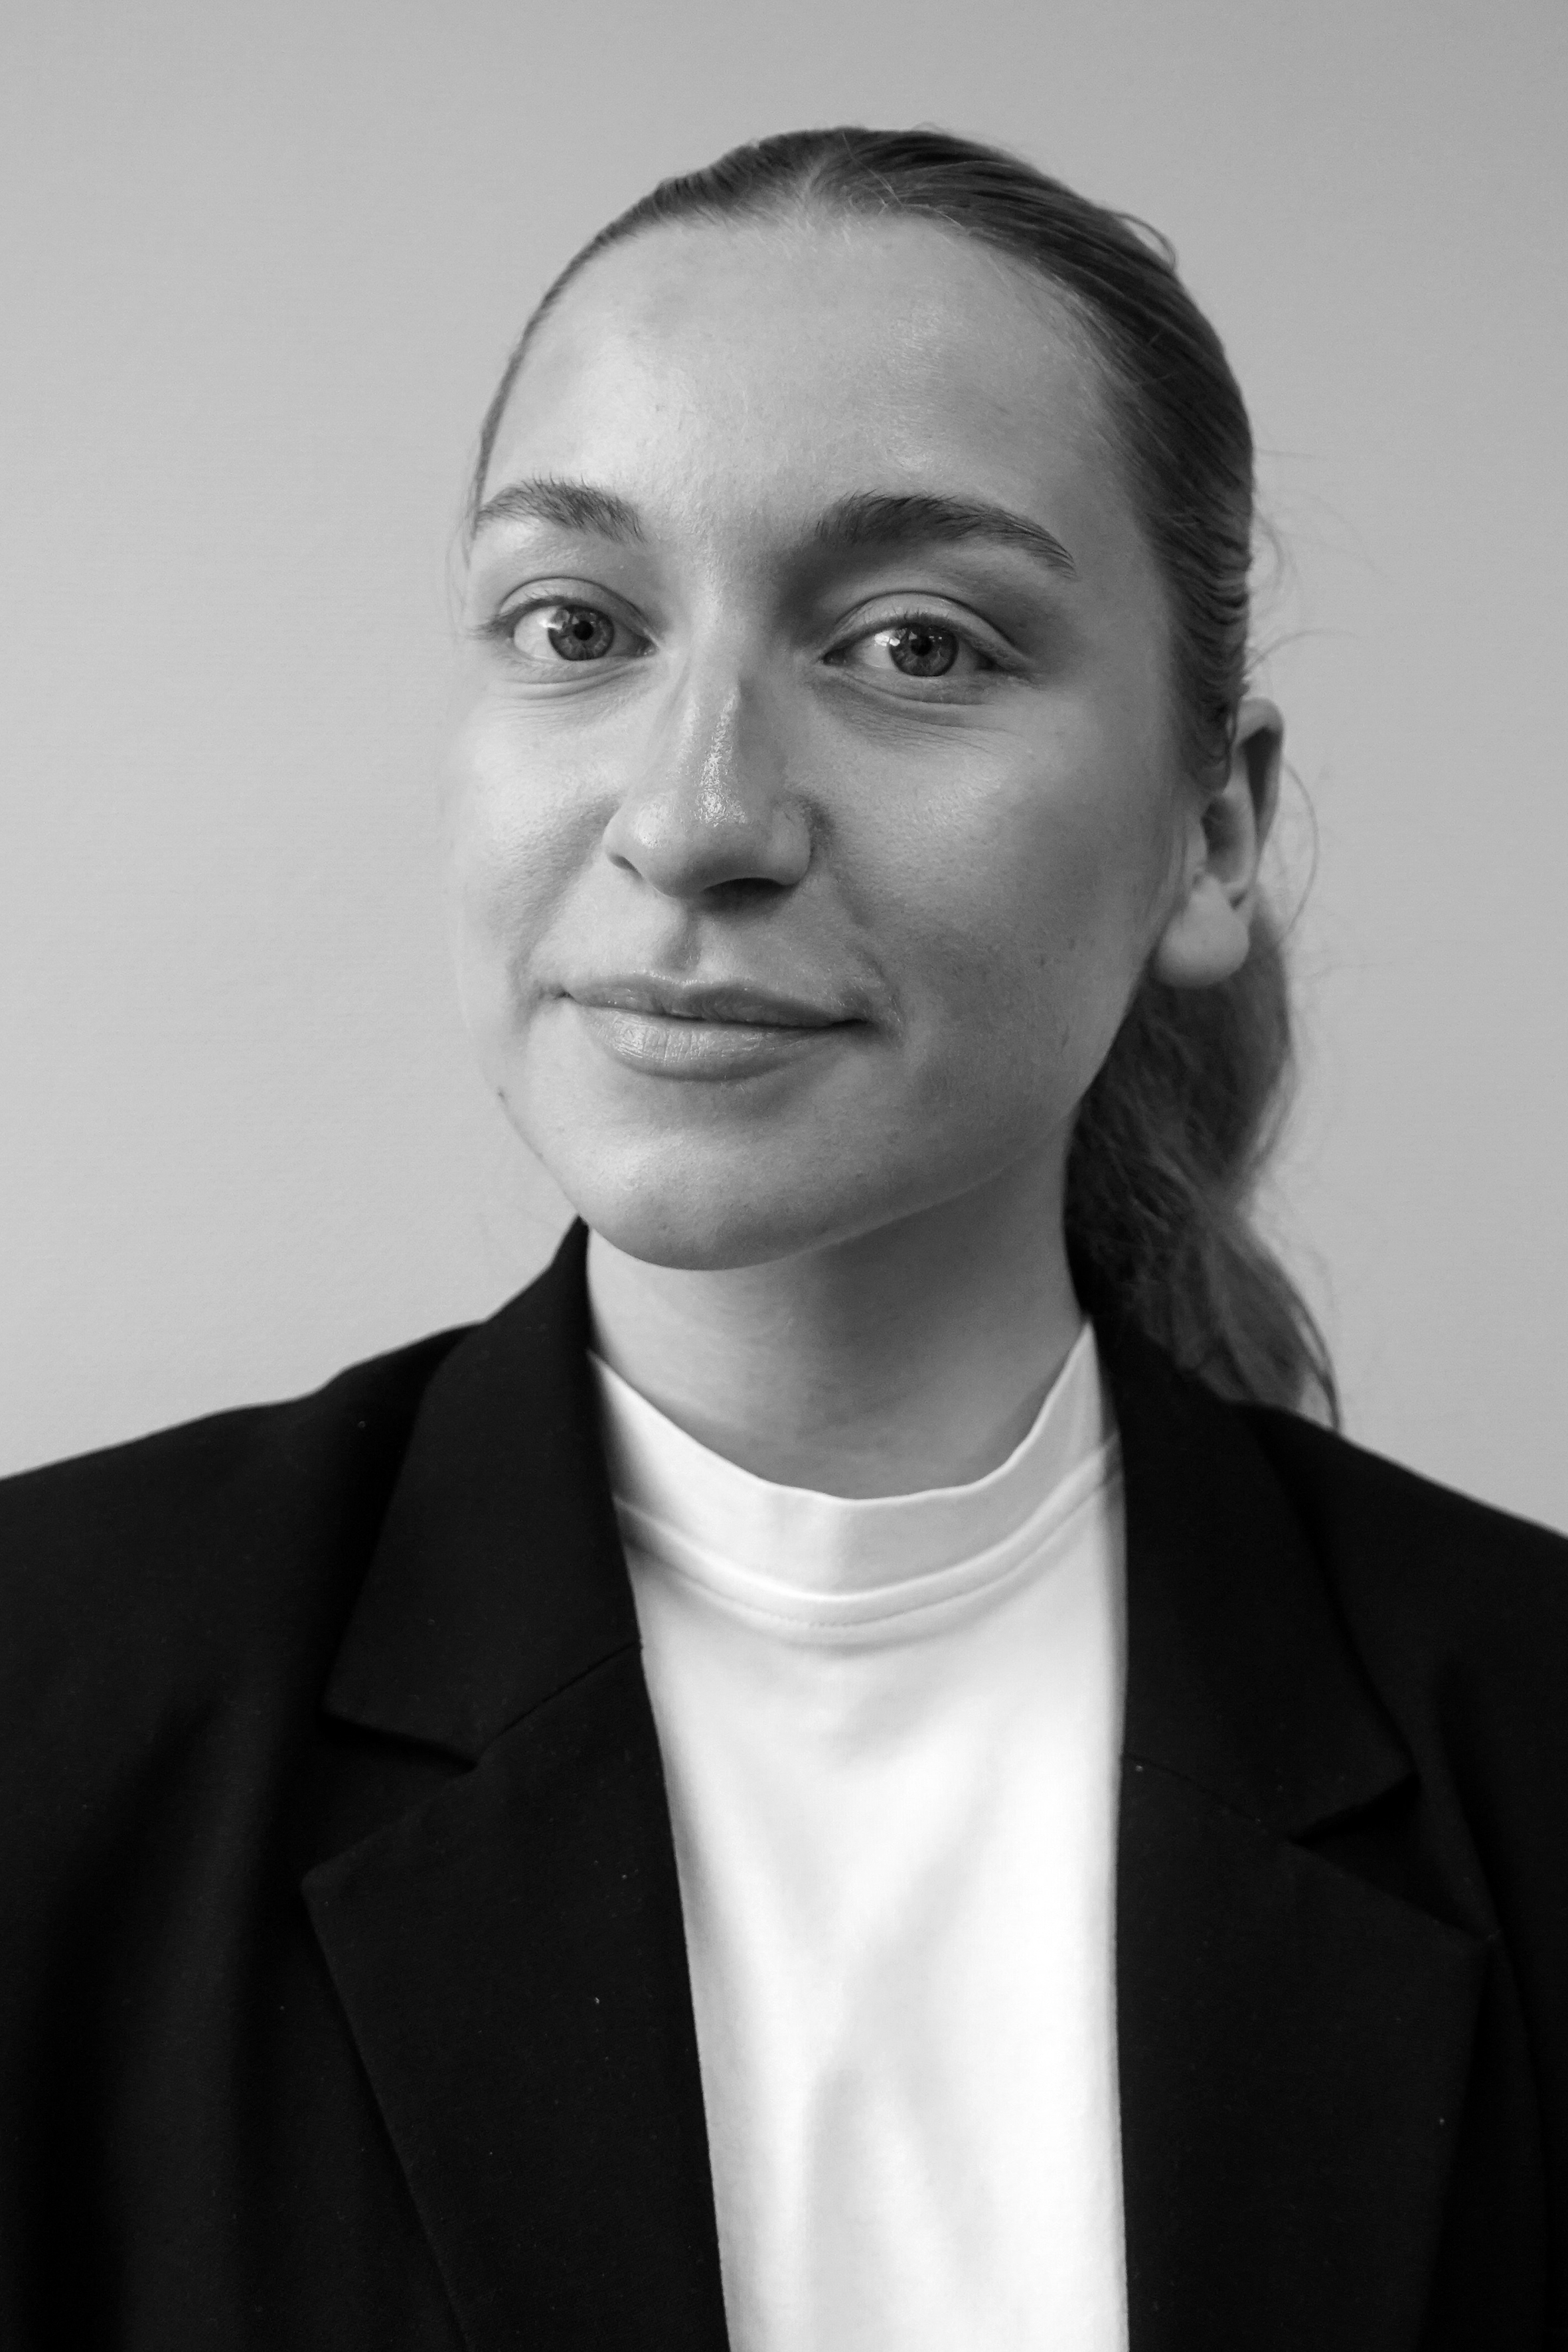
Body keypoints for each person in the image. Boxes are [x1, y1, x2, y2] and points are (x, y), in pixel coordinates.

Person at [0, 123, 1563, 2352]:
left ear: (1210, 833)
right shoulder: (46, 1712)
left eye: (915, 642)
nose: (695, 813)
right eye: (578, 626)